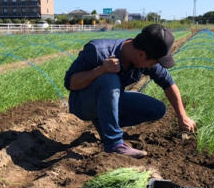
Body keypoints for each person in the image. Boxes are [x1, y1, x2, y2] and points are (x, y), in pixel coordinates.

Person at [64, 24, 196, 158]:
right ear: (141, 55)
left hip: (109, 99)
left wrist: (182, 116)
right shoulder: (98, 50)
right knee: (110, 79)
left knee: (157, 109)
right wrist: (100, 70)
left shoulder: (145, 59)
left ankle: (105, 124)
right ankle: (114, 144)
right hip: (82, 104)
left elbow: (168, 84)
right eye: (153, 62)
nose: (154, 66)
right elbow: (70, 83)